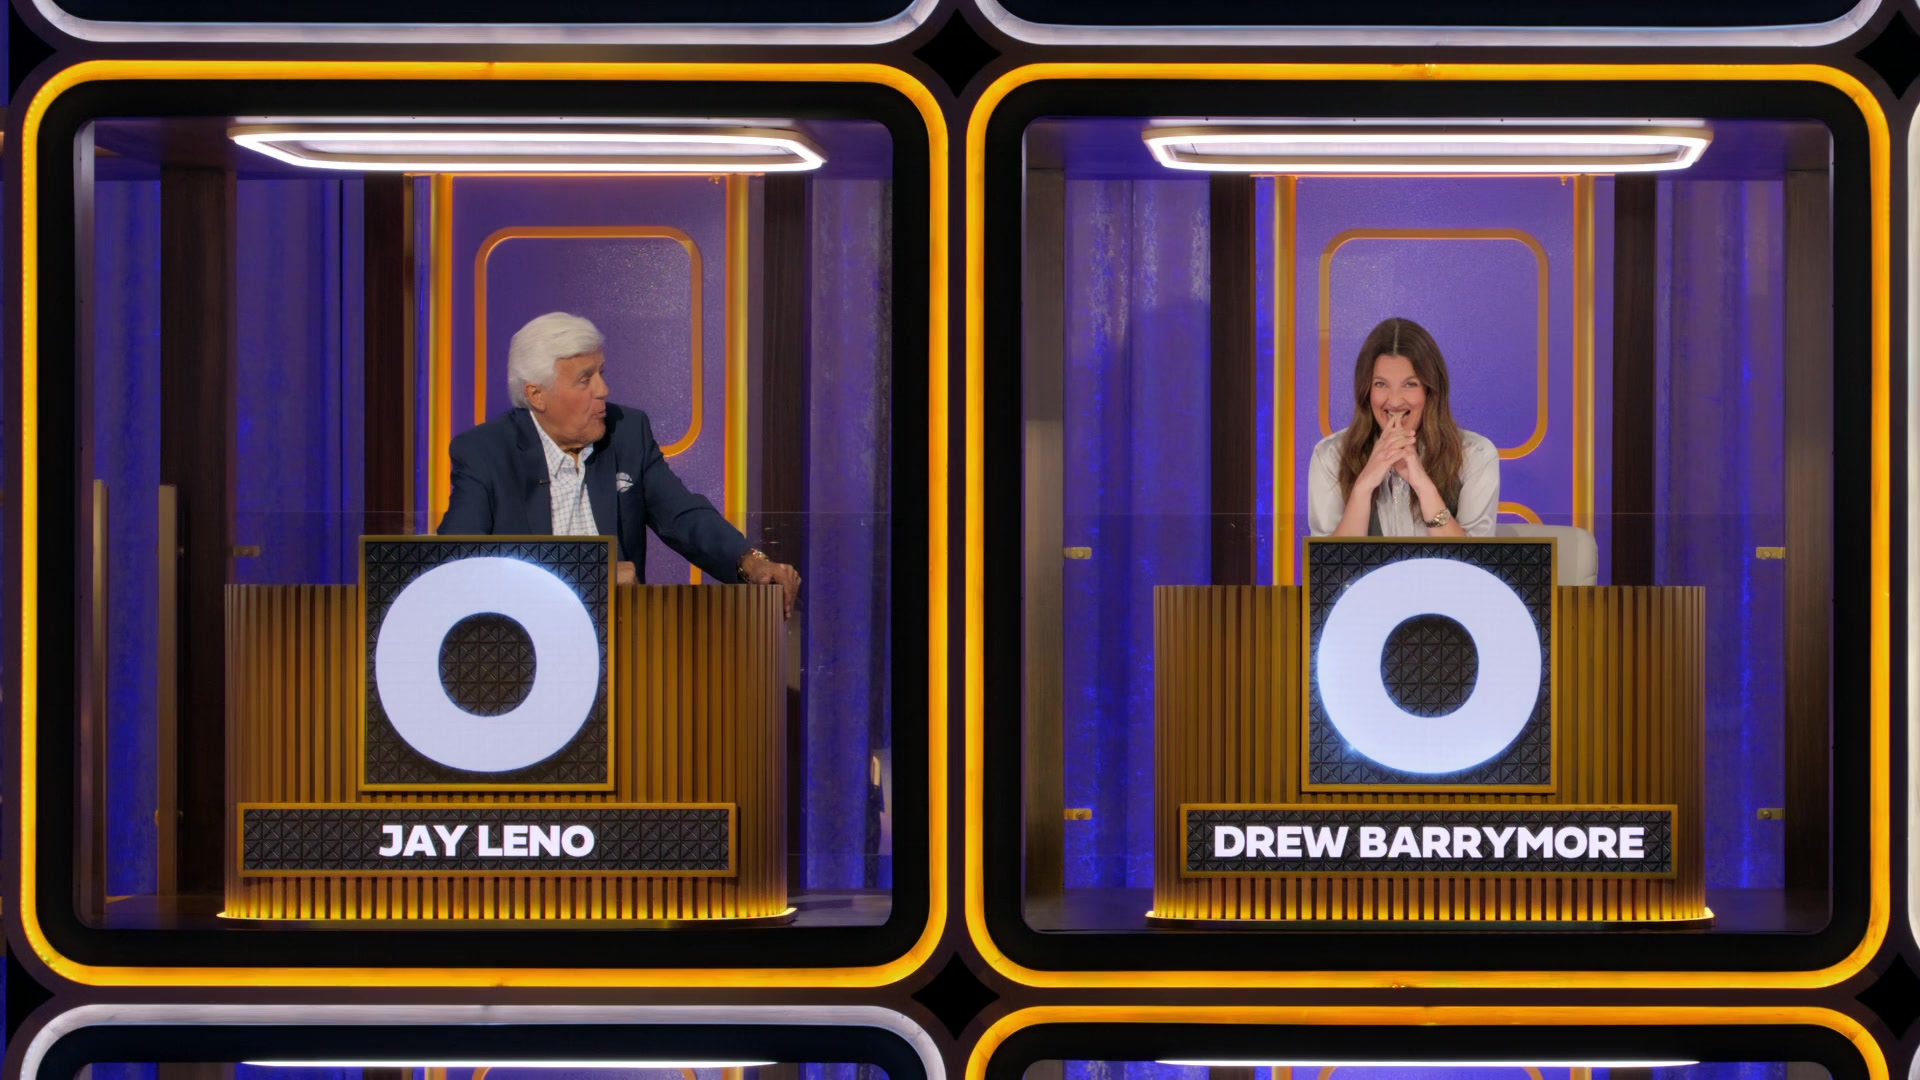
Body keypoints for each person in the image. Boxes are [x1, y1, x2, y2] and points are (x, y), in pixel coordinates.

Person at [439, 311, 801, 617]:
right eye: (585, 379)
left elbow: (683, 516)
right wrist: (591, 577)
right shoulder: (485, 452)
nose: (603, 390)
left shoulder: (626, 432)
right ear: (537, 395)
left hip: (620, 637)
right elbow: (456, 563)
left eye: (601, 373)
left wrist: (749, 561)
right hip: (527, 639)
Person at [1307, 316, 1499, 538]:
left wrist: (1423, 486)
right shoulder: (1331, 456)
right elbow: (1330, 559)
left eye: (1410, 384)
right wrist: (1363, 487)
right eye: (1381, 384)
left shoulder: (1475, 455)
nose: (1395, 401)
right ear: (1366, 390)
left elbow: (1472, 558)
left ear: (1431, 391)